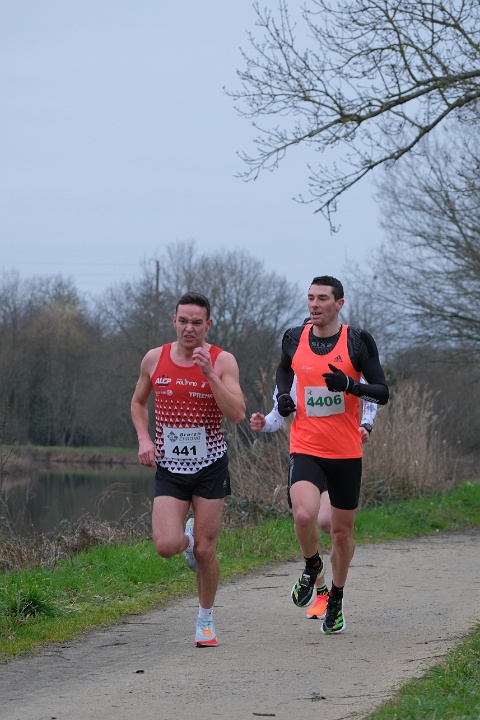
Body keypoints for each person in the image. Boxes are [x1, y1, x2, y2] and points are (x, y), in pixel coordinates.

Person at [131, 292, 246, 647]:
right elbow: (138, 402)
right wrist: (144, 439)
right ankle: (188, 539)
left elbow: (237, 413)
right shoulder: (155, 358)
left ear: (208, 324)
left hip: (210, 467)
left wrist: (209, 374)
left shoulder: (222, 361)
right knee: (167, 545)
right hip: (170, 469)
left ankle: (205, 621)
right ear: (174, 321)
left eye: (197, 322)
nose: (189, 328)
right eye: (183, 321)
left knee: (205, 552)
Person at [275, 276, 389, 634]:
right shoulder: (293, 337)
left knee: (341, 534)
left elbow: (382, 391)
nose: (315, 304)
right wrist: (283, 396)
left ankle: (336, 598)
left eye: (322, 298)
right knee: (303, 513)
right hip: (306, 445)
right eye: (310, 297)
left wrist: (350, 385)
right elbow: (284, 368)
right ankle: (312, 565)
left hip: (345, 452)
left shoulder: (357, 341)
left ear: (339, 303)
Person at [250, 375, 377, 620]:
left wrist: (366, 424)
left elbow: (370, 389)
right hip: (307, 455)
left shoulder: (346, 358)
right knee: (305, 517)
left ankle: (336, 591)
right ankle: (320, 591)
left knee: (330, 524)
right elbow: (278, 415)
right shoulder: (297, 368)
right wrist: (263, 422)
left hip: (341, 455)